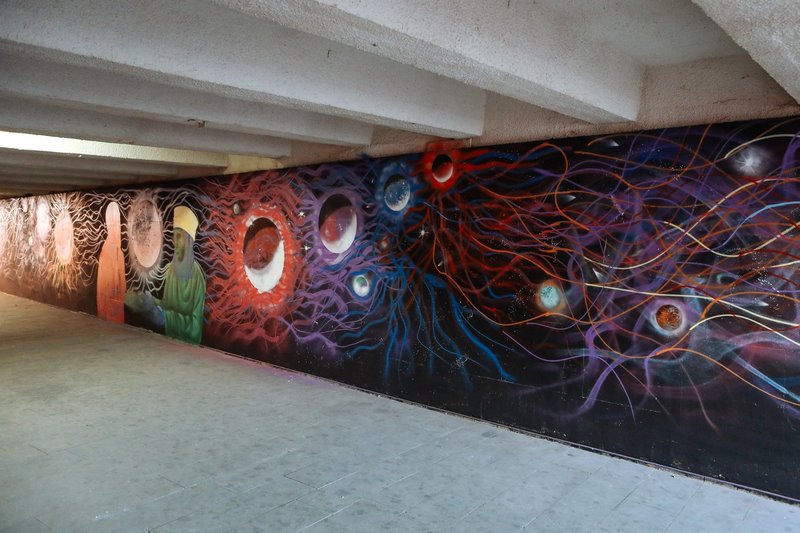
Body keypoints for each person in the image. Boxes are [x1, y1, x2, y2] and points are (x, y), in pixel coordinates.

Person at [126, 206, 205, 344]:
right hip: (169, 344)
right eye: (174, 236)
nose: (174, 241)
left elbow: (195, 328)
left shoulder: (197, 276)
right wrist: (147, 302)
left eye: (178, 236)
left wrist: (162, 316)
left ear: (189, 240)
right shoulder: (171, 270)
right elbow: (167, 305)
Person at [96, 202, 126, 323]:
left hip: (118, 314)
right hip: (108, 314)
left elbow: (123, 290)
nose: (116, 228)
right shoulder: (105, 253)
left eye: (118, 223)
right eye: (113, 224)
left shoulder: (120, 253)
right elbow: (102, 293)